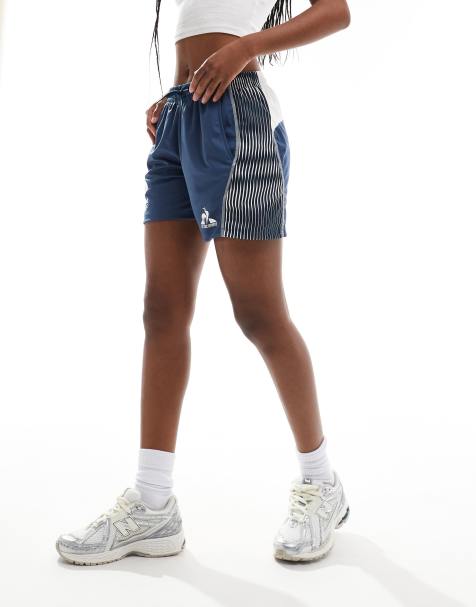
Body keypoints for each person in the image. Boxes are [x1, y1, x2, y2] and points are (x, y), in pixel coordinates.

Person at [56, 0, 351, 566]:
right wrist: (173, 96)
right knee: (161, 310)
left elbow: (336, 11)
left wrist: (246, 48)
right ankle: (152, 503)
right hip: (181, 117)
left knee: (259, 314)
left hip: (237, 117)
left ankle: (321, 482)